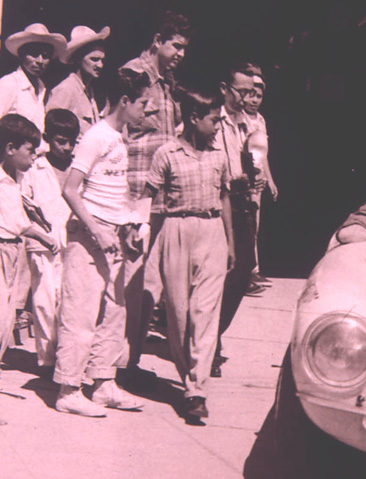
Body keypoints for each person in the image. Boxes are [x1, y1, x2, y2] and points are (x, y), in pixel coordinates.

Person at [54, 68, 150, 417]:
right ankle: (68, 389)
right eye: (142, 103)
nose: (146, 110)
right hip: (89, 237)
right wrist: (97, 231)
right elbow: (70, 189)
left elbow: (114, 192)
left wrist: (129, 225)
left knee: (114, 312)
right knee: (80, 313)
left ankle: (103, 383)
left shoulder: (120, 139)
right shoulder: (96, 136)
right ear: (124, 101)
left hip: (113, 236)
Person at [143, 84, 235, 420]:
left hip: (212, 231)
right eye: (214, 119)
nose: (219, 125)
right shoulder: (166, 154)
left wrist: (230, 241)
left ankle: (197, 389)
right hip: (176, 231)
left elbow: (224, 197)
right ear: (194, 118)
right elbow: (148, 199)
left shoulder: (219, 155)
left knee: (204, 312)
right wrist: (146, 242)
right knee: (179, 315)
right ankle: (187, 380)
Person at [122, 11, 193, 385]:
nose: (181, 54)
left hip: (160, 193)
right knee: (130, 279)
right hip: (135, 189)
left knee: (150, 282)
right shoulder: (133, 75)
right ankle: (118, 362)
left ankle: (129, 359)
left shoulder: (168, 84)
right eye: (175, 45)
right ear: (157, 41)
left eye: (184, 48)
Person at [214, 61, 265, 377]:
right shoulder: (212, 117)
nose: (246, 98)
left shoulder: (249, 123)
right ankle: (208, 344)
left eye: (250, 92)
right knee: (217, 275)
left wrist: (255, 177)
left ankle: (213, 333)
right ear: (224, 89)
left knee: (243, 272)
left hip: (242, 202)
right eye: (240, 91)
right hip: (217, 201)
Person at [20, 109, 79, 369]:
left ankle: (66, 360)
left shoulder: (78, 167)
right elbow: (24, 200)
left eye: (71, 142)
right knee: (45, 302)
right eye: (61, 141)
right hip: (43, 244)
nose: (67, 148)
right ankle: (47, 359)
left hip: (73, 243)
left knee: (70, 301)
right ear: (47, 138)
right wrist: (40, 230)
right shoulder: (35, 167)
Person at [0, 114, 59, 366]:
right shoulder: (3, 181)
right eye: (30, 150)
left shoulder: (16, 178)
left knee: (7, 313)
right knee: (2, 313)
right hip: (3, 245)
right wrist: (44, 237)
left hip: (12, 250)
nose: (34, 156)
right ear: (10, 148)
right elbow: (19, 223)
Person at [242, 65, 278, 291]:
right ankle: (247, 273)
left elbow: (263, 154)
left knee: (255, 226)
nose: (254, 100)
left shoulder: (261, 120)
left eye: (259, 96)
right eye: (250, 94)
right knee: (247, 227)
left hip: (259, 181)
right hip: (247, 181)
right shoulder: (240, 118)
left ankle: (254, 269)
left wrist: (270, 181)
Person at [0, 23, 67, 132]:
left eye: (45, 56)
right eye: (34, 54)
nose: (40, 61)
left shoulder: (42, 89)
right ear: (22, 55)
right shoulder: (9, 83)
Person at [47, 26, 110, 137]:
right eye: (94, 59)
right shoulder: (66, 89)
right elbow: (51, 128)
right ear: (77, 59)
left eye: (102, 60)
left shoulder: (89, 91)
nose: (100, 65)